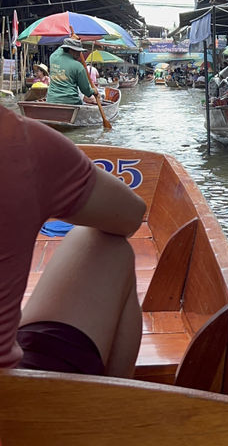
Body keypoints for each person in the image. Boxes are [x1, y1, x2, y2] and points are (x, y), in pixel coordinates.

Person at [0, 105, 146, 376]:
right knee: (107, 243)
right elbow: (130, 216)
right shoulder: (19, 139)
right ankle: (111, 408)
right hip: (11, 400)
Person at [46, 38, 98, 105]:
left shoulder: (53, 57)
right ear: (70, 50)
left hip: (51, 100)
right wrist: (94, 91)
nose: (79, 54)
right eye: (77, 51)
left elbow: (59, 50)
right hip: (71, 101)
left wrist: (72, 39)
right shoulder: (78, 66)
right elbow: (85, 90)